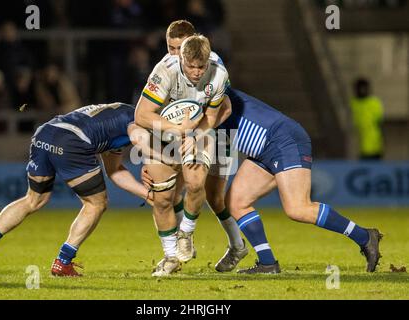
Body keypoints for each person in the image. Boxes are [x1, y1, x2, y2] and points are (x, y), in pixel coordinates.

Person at [0, 103, 154, 277]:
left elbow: (114, 171)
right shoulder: (136, 119)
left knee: (33, 200)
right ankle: (63, 261)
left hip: (45, 133)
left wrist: (146, 194)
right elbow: (138, 137)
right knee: (96, 204)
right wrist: (154, 160)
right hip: (71, 141)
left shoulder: (116, 116)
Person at [219, 88, 382, 273]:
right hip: (263, 150)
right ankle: (267, 263)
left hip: (282, 139)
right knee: (236, 202)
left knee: (298, 208)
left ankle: (364, 236)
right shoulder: (193, 94)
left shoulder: (208, 89)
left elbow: (211, 116)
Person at [134, 34, 230, 276]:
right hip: (164, 132)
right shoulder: (164, 71)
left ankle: (186, 232)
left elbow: (212, 115)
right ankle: (170, 257)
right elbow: (142, 115)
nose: (197, 72)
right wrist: (178, 130)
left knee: (196, 184)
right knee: (163, 198)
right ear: (181, 59)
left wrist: (195, 136)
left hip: (198, 130)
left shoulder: (219, 73)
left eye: (201, 66)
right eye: (191, 66)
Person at [159, 20, 248, 272]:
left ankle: (237, 245)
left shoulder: (213, 67)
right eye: (170, 48)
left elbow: (224, 110)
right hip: (186, 130)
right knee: (172, 191)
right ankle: (182, 244)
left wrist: (196, 135)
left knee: (214, 197)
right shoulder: (170, 66)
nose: (174, 54)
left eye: (179, 49)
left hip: (219, 131)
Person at [350, 78, 384, 160]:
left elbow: (380, 123)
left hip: (375, 145)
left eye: (364, 88)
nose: (362, 91)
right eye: (360, 88)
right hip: (358, 144)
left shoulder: (375, 102)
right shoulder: (353, 103)